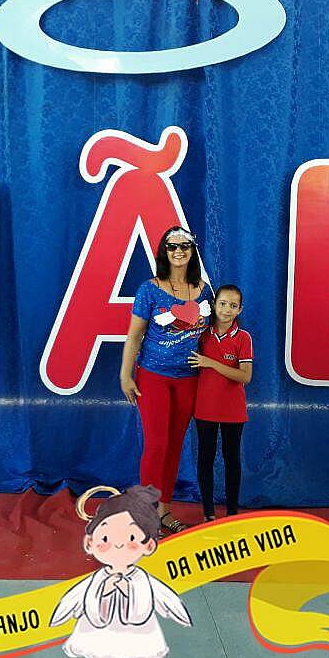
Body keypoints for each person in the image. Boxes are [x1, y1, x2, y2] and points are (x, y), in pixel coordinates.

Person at [119, 226, 213, 534]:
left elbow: (211, 337)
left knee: (174, 447)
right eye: (172, 246)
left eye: (184, 246)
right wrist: (125, 375)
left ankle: (163, 512)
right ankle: (145, 514)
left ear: (192, 251)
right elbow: (134, 336)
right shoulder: (149, 289)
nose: (179, 251)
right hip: (153, 377)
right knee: (156, 445)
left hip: (189, 380)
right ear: (164, 252)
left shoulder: (204, 291)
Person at [49, 485, 192, 658]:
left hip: (134, 629)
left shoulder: (140, 578)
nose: (117, 545)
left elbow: (161, 597)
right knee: (104, 649)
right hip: (101, 627)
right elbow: (77, 597)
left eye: (131, 537)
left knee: (132, 656)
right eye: (105, 538)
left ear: (149, 545)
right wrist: (105, 590)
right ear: (90, 543)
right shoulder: (99, 578)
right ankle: (104, 657)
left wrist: (129, 589)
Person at [187, 284, 252, 521]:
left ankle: (233, 513)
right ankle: (208, 514)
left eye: (233, 306)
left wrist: (211, 363)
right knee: (205, 458)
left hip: (233, 410)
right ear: (214, 305)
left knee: (231, 459)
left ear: (239, 310)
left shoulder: (243, 337)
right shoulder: (201, 333)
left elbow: (245, 376)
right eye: (223, 304)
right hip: (205, 408)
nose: (226, 309)